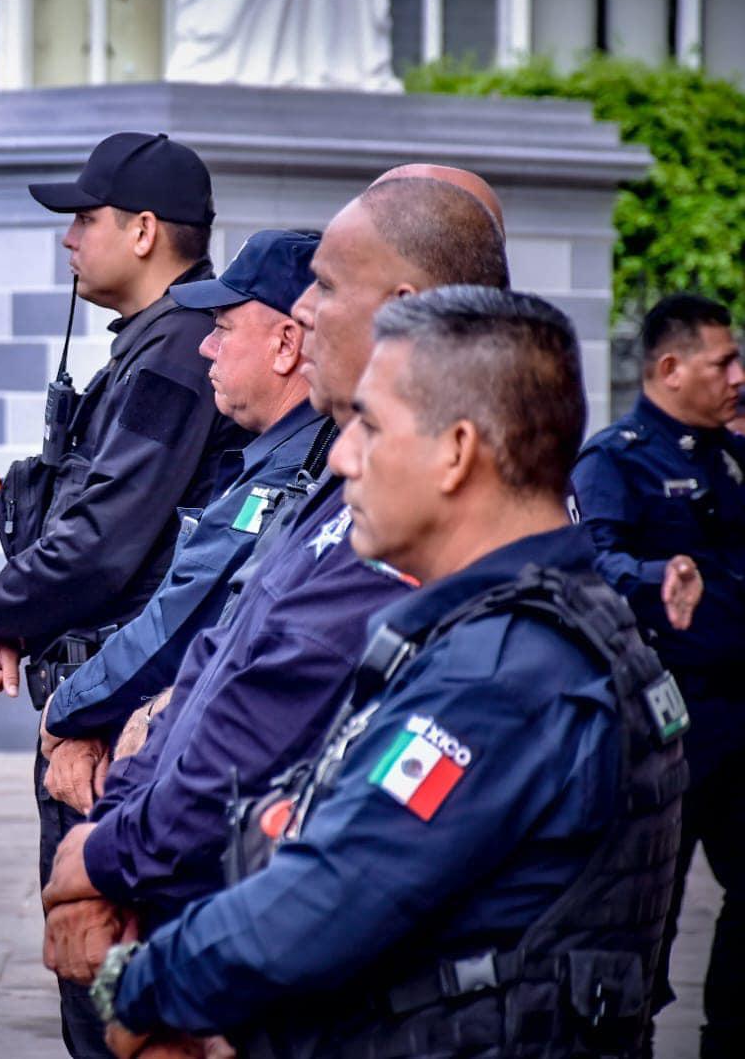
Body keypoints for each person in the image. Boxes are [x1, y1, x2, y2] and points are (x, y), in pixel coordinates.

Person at [93, 286, 686, 1059]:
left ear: (456, 451)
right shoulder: (526, 626)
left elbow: (316, 905)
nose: (341, 457)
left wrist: (138, 984)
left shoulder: (502, 673)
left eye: (368, 426)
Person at [39, 173, 509, 997]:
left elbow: (271, 719)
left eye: (323, 289)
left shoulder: (420, 514)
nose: (304, 313)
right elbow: (219, 661)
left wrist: (113, 864)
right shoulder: (343, 479)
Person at [0, 131, 249, 1055]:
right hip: (105, 693)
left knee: (107, 991)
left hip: (121, 712)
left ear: (146, 229)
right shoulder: (157, 343)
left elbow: (101, 546)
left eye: (84, 219)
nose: (68, 239)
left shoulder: (173, 351)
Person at [40, 230, 329, 813]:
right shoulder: (283, 453)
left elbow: (181, 616)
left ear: (285, 346)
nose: (206, 349)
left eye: (222, 329)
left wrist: (65, 710)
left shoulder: (295, 469)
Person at [572, 293, 745, 1058]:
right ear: (669, 369)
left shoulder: (731, 457)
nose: (738, 376)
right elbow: (588, 562)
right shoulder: (613, 459)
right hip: (665, 725)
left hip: (739, 718)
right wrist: (653, 575)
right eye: (723, 362)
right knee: (645, 908)